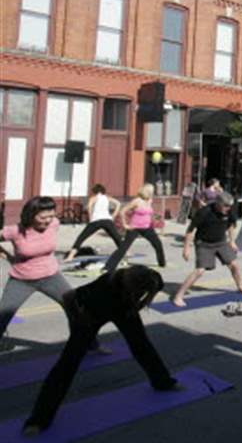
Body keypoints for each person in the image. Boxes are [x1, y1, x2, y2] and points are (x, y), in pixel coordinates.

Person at [21, 266, 180, 435]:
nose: (143, 293)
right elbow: (68, 297)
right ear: (131, 286)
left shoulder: (152, 277)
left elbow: (150, 292)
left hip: (124, 309)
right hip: (92, 314)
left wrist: (139, 304)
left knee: (142, 345)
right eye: (140, 291)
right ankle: (39, 419)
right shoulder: (102, 288)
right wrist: (77, 319)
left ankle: (162, 382)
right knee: (67, 364)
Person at [0, 197, 104, 353]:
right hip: (21, 279)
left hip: (51, 277)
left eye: (51, 216)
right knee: (3, 314)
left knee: (76, 309)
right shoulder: (15, 230)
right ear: (31, 214)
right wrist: (8, 257)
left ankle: (90, 345)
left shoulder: (54, 224)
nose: (48, 220)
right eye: (43, 217)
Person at [172, 192, 242, 307]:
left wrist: (232, 241)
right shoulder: (204, 212)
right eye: (226, 206)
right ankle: (178, 296)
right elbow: (190, 230)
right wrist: (186, 249)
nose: (228, 209)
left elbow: (230, 226)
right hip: (204, 243)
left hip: (220, 242)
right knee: (200, 271)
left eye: (230, 206)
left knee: (234, 265)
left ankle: (240, 286)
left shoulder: (229, 211)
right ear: (218, 203)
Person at [103, 184, 166, 273]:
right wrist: (125, 225)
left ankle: (162, 263)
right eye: (152, 191)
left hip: (147, 227)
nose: (153, 193)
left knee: (158, 244)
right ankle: (108, 267)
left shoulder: (150, 200)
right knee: (124, 248)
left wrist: (154, 220)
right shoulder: (137, 201)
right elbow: (123, 211)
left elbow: (149, 213)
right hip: (135, 227)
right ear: (147, 191)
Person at [64, 184, 124, 261]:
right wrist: (113, 215)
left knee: (81, 237)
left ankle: (71, 256)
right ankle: (126, 252)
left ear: (95, 191)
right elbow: (118, 203)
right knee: (116, 237)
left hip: (96, 220)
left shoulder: (93, 198)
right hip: (107, 220)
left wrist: (90, 218)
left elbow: (89, 207)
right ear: (103, 191)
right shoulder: (107, 197)